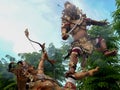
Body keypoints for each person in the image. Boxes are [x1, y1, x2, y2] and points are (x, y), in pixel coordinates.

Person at [61, 1, 117, 77]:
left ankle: (105, 52)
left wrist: (101, 23)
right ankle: (72, 69)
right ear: (66, 13)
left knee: (101, 40)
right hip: (78, 43)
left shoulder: (83, 20)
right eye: (68, 10)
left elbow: (95, 22)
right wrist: (64, 35)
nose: (71, 11)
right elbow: (63, 33)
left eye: (71, 8)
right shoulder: (67, 24)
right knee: (74, 53)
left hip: (89, 40)